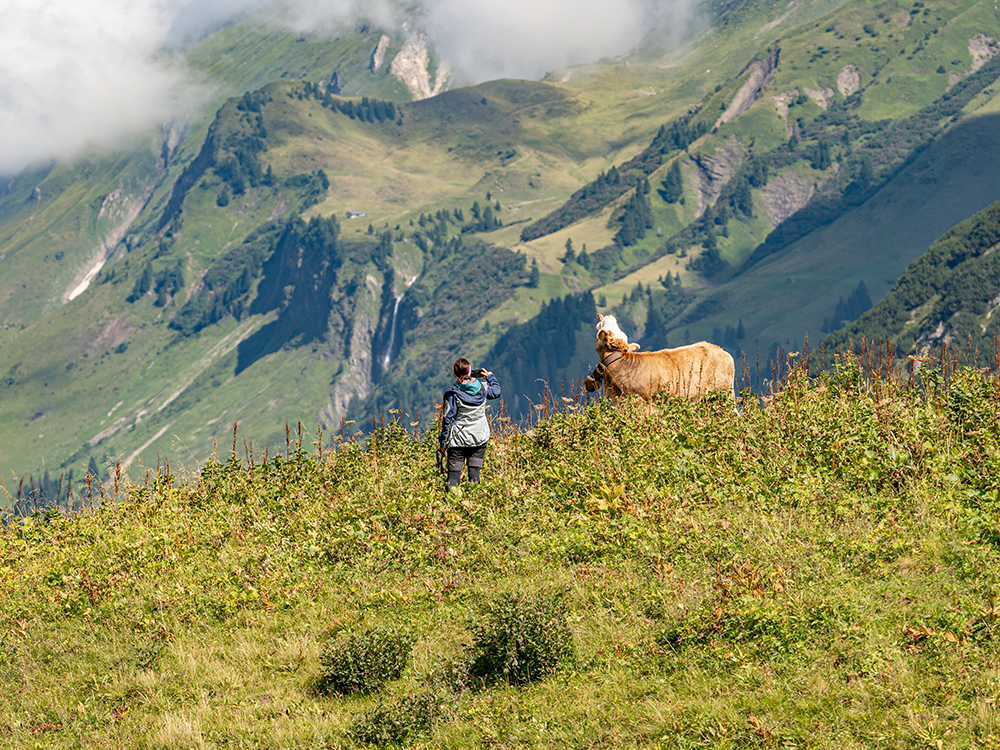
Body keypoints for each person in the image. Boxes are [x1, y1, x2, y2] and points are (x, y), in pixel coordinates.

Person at [439, 358, 501, 488]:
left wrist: (443, 443)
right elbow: (496, 392)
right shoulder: (483, 388)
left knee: (453, 479)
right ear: (470, 371)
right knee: (475, 477)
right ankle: (475, 502)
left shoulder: (452, 394)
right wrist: (490, 377)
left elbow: (447, 420)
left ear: (455, 373)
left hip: (458, 440)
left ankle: (451, 503)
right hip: (479, 437)